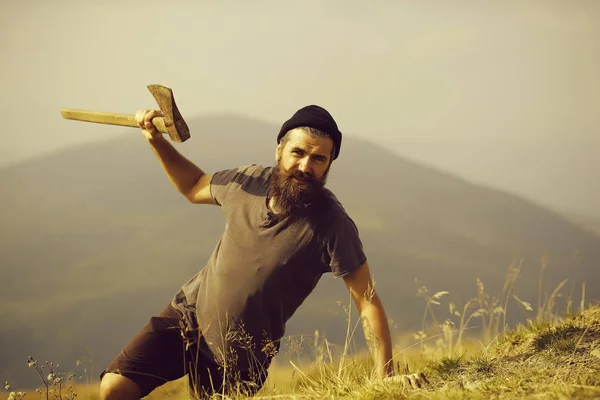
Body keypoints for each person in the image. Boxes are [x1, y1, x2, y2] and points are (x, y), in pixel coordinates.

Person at [99, 105, 426, 399]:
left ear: (328, 165)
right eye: (297, 153)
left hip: (241, 357)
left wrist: (385, 375)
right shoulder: (247, 182)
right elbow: (193, 185)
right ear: (279, 150)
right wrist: (157, 141)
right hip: (188, 317)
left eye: (318, 159)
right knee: (114, 388)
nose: (305, 165)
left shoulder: (332, 224)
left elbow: (366, 299)